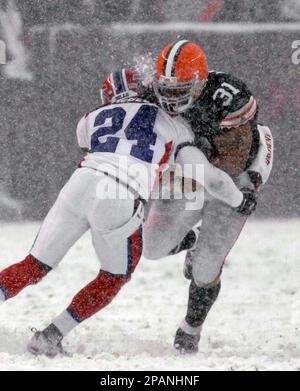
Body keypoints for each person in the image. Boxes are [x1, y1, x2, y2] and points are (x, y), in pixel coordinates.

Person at [0, 68, 252, 357]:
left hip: (79, 184)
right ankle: (51, 335)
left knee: (33, 265)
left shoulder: (91, 117)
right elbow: (211, 178)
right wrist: (238, 200)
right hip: (119, 193)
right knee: (114, 276)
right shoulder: (175, 125)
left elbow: (99, 141)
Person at [140, 40, 274, 353]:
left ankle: (191, 327)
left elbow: (234, 159)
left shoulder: (227, 98)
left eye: (181, 89)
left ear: (200, 82)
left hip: (236, 175)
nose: (171, 98)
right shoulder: (153, 94)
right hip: (190, 172)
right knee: (151, 246)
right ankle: (193, 239)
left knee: (205, 267)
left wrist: (246, 182)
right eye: (166, 90)